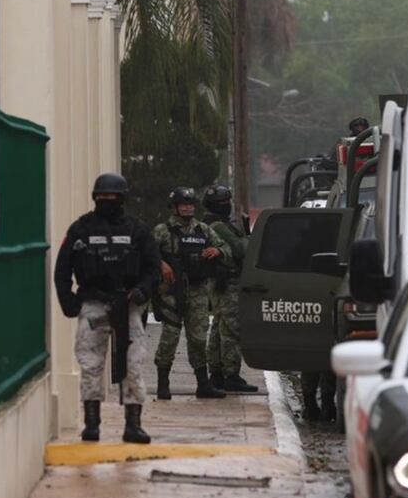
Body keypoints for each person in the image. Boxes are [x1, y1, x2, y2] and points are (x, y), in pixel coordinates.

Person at [53, 173, 160, 444]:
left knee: (133, 364)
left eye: (112, 197)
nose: (107, 201)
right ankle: (91, 424)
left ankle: (133, 425)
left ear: (122, 198)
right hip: (93, 305)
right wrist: (70, 302)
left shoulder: (137, 230)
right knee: (90, 364)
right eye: (102, 197)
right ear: (94, 198)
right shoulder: (81, 229)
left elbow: (153, 268)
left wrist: (142, 291)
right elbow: (62, 268)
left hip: (128, 307)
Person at [153, 187, 231, 400]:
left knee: (197, 338)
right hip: (171, 292)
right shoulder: (163, 230)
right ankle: (162, 383)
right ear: (175, 207)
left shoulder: (203, 230)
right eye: (183, 204)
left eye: (191, 204)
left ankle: (203, 384)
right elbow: (146, 252)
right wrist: (162, 265)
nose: (188, 208)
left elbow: (226, 248)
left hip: (197, 292)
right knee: (170, 337)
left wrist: (217, 251)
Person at [202, 185, 258, 393]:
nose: (226, 206)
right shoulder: (219, 226)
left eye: (227, 201)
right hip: (226, 283)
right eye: (222, 203)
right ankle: (230, 375)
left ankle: (217, 374)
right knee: (232, 331)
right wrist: (247, 235)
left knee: (219, 328)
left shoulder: (214, 224)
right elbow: (242, 249)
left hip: (220, 283)